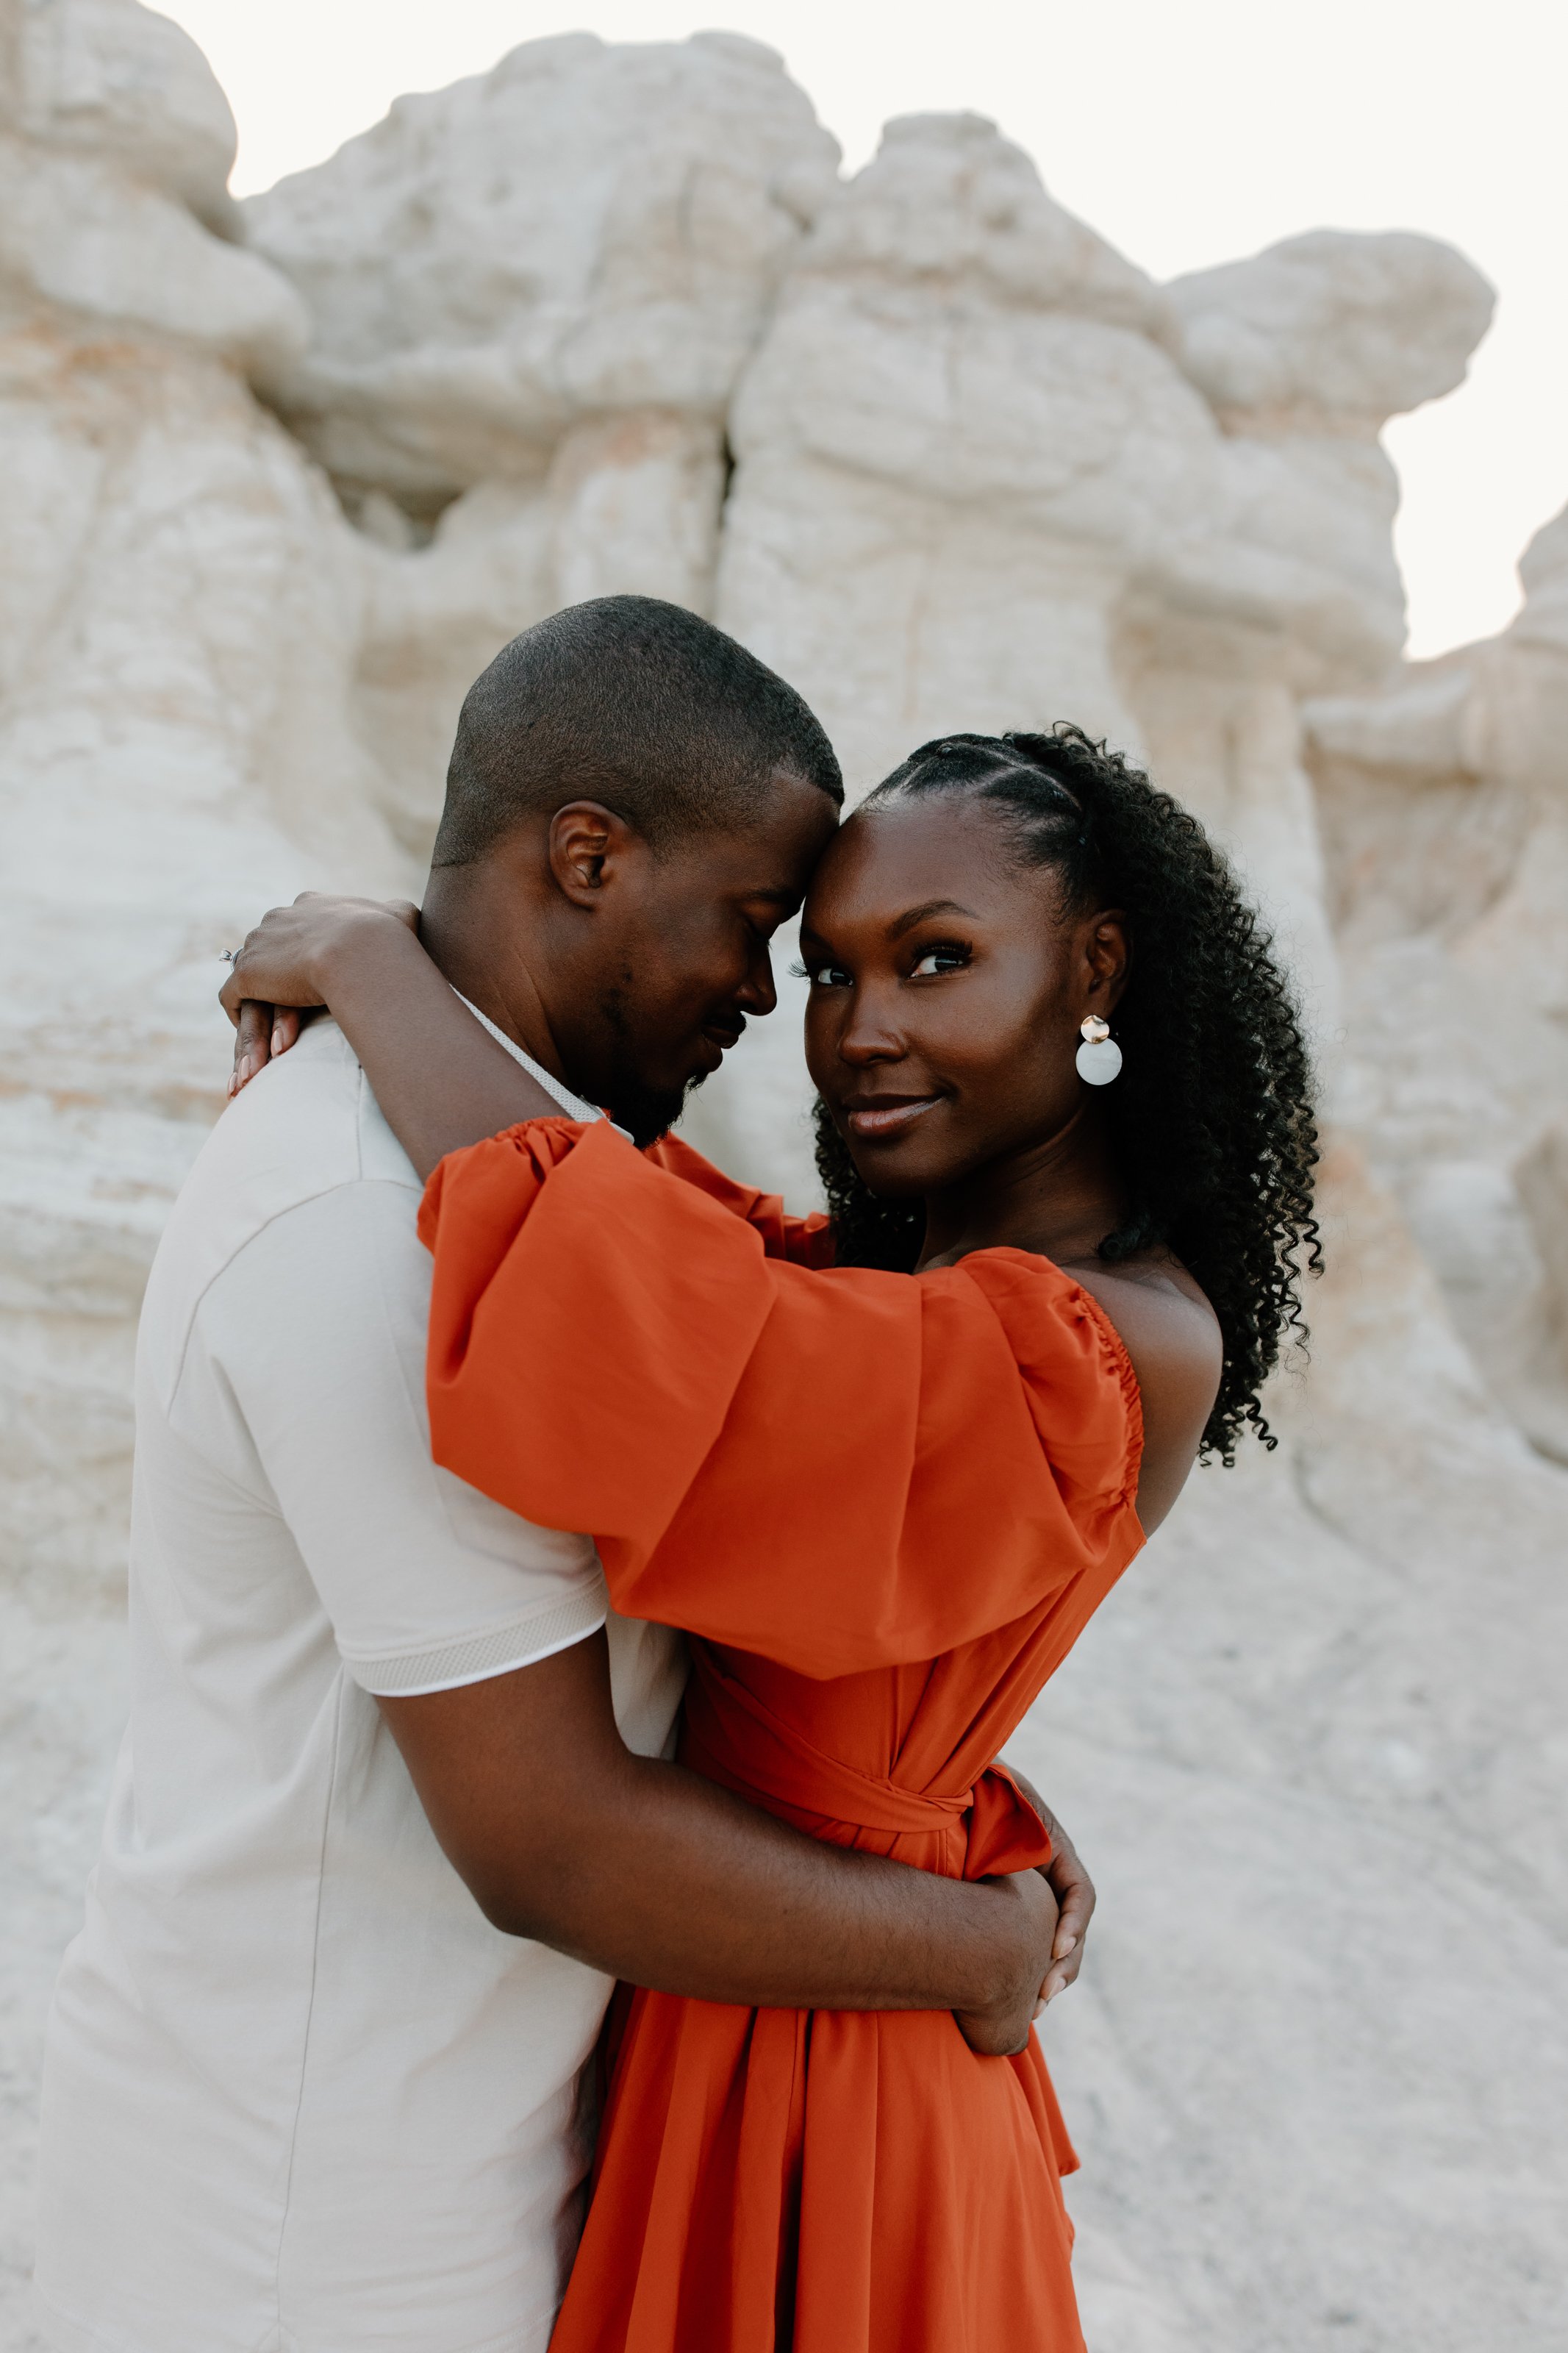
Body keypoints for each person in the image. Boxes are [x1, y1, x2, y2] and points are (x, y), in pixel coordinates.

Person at [32, 607, 1094, 2353]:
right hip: (302, 2228)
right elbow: (546, 1836)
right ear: (586, 857)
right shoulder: (376, 1234)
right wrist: (969, 1946)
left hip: (410, 2163)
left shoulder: (544, 1188)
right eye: (752, 929)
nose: (765, 1003)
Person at [216, 722, 1320, 2350]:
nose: (859, 1033)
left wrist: (383, 976)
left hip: (842, 2085)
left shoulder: (1108, 1335)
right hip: (770, 1997)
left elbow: (648, 1318)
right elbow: (673, 1252)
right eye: (825, 973)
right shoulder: (893, 1300)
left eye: (932, 961)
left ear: (1095, 970)